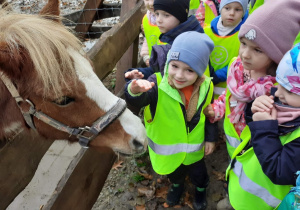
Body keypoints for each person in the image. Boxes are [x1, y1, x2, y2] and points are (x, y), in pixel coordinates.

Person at [204, 1, 300, 209]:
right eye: (243, 43)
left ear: (277, 55)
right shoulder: (237, 66)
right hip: (233, 138)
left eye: (257, 49)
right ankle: (233, 189)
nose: (245, 54)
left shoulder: (277, 90)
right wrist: (219, 107)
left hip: (255, 147)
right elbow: (231, 96)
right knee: (236, 164)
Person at [125, 31, 217, 210]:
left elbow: (210, 114)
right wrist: (134, 90)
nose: (180, 75)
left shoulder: (207, 86)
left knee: (199, 173)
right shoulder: (156, 83)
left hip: (195, 149)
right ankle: (177, 185)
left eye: (189, 70)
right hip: (169, 151)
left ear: (199, 72)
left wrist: (211, 138)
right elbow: (139, 100)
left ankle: (200, 189)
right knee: (175, 174)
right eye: (174, 66)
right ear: (168, 62)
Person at [248, 44, 300, 207]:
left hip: (265, 202)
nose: (277, 93)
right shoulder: (284, 101)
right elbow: (251, 124)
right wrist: (254, 108)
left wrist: (264, 127)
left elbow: (280, 170)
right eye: (279, 84)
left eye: (290, 91)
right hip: (246, 181)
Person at [125, 0, 203, 81]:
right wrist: (141, 72)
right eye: (157, 14)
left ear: (180, 15)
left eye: (166, 15)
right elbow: (160, 69)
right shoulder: (165, 33)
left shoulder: (185, 43)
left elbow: (172, 77)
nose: (158, 20)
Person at [204, 0, 248, 97]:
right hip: (204, 85)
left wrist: (217, 76)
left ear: (243, 12)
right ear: (220, 9)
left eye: (237, 9)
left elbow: (241, 61)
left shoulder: (244, 35)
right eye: (227, 8)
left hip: (229, 91)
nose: (232, 13)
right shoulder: (206, 31)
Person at [140, 0, 163, 67]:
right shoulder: (146, 19)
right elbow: (148, 38)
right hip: (154, 64)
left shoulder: (173, 19)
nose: (150, 3)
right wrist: (146, 56)